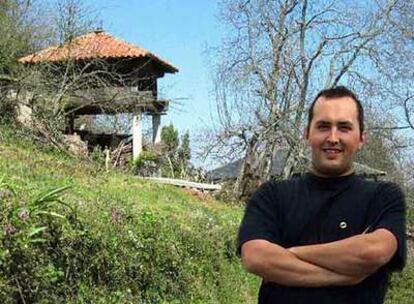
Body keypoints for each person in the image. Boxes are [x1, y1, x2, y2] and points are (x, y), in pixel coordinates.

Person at [237, 86, 406, 304]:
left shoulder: (383, 196)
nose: (333, 137)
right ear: (307, 134)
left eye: (344, 127)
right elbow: (255, 257)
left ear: (361, 138)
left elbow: (373, 252)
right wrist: (345, 275)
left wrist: (286, 255)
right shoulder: (272, 194)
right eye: (323, 126)